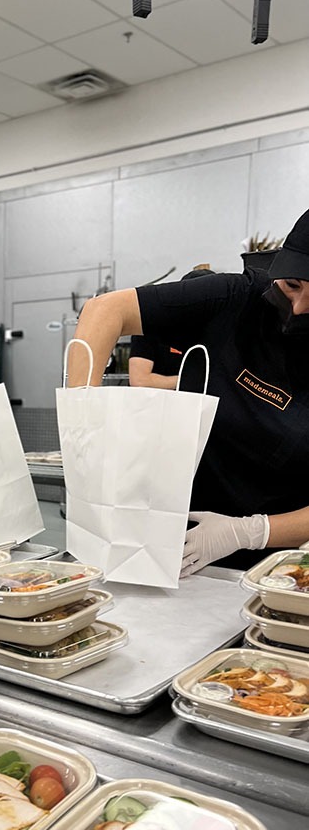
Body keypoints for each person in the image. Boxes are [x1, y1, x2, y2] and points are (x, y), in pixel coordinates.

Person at [67, 207, 309, 576]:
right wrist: (81, 417)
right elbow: (105, 310)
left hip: (273, 567)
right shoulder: (236, 298)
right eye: (292, 285)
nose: (299, 306)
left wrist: (250, 531)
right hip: (168, 543)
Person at [128, 270, 215, 390]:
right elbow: (139, 380)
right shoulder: (151, 326)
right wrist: (192, 381)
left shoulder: (219, 334)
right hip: (158, 405)